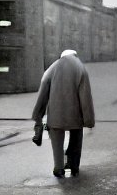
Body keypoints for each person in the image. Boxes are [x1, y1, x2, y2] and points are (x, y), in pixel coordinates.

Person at [32, 49, 95, 178]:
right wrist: (88, 119)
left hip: (56, 115)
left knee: (56, 140)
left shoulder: (53, 67)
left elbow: (44, 89)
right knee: (76, 138)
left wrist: (38, 114)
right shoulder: (80, 67)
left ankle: (59, 167)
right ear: (75, 55)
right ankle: (74, 166)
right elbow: (85, 97)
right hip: (75, 115)